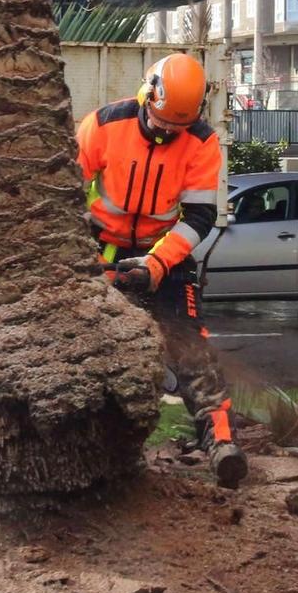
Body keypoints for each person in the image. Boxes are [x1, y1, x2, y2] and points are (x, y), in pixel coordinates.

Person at [76, 53, 246, 487]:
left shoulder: (201, 142)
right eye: (162, 121)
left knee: (192, 348)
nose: (169, 132)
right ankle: (89, 445)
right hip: (101, 250)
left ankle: (221, 442)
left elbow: (199, 218)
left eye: (178, 127)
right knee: (84, 347)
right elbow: (61, 193)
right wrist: (83, 256)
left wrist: (156, 263)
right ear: (147, 95)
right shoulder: (102, 125)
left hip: (164, 254)